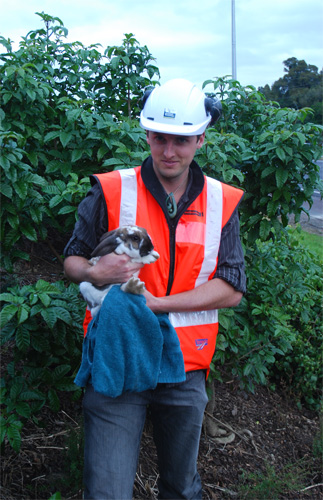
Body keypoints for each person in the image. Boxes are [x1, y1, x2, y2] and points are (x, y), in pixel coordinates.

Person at [63, 78, 246, 500]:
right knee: (107, 491)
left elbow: (232, 287)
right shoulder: (112, 188)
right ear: (146, 133)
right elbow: (72, 260)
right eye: (159, 138)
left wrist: (158, 304)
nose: (168, 151)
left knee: (180, 489)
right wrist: (95, 272)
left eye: (181, 140)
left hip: (185, 367)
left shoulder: (221, 201)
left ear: (200, 139)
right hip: (116, 359)